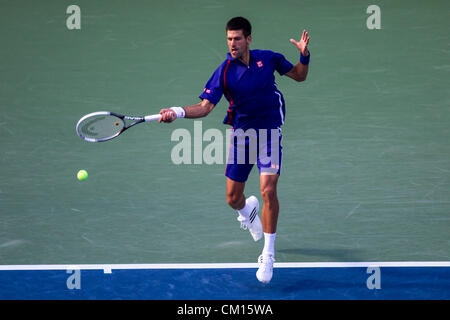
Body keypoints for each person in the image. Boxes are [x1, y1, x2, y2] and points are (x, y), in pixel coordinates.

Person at [159, 17, 310, 283]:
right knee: (232, 198)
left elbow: (299, 76)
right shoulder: (224, 71)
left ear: (248, 39)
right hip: (242, 137)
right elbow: (205, 107)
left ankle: (268, 253)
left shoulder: (269, 59)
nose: (232, 44)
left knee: (269, 190)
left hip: (269, 134)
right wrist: (178, 112)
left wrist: (304, 55)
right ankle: (247, 212)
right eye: (229, 39)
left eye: (237, 38)